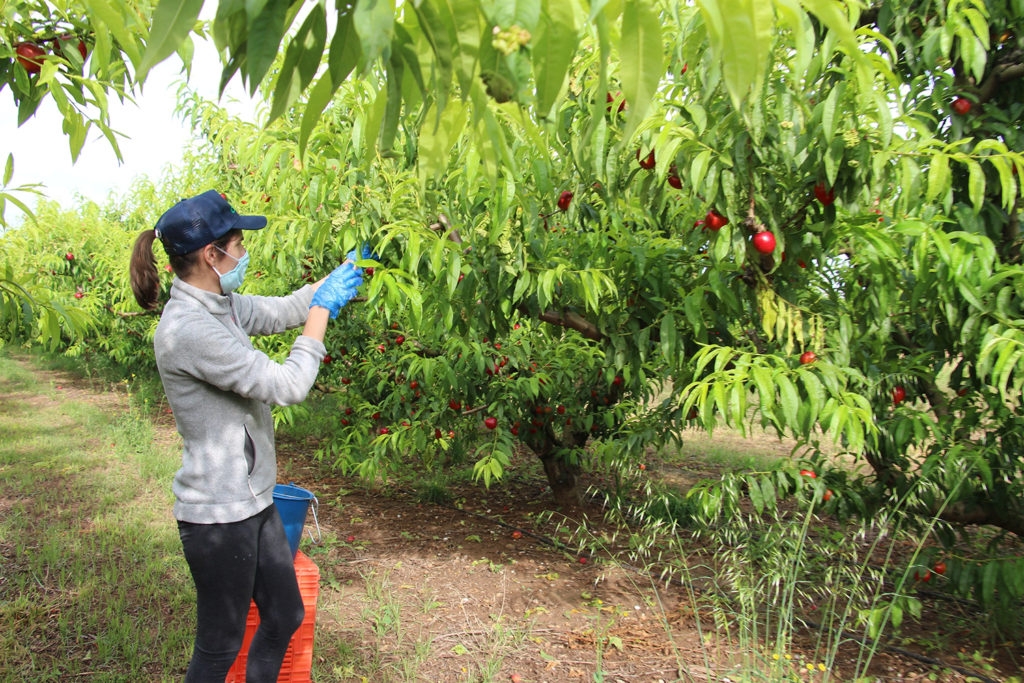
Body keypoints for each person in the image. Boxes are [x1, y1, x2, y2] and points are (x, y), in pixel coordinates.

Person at [129, 189, 365, 682]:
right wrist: (321, 314)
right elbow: (288, 385)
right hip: (217, 515)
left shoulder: (221, 302)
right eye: (237, 243)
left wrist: (345, 271)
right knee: (220, 645)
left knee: (285, 614)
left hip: (253, 502)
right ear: (211, 255)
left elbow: (283, 309)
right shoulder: (188, 329)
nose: (243, 252)